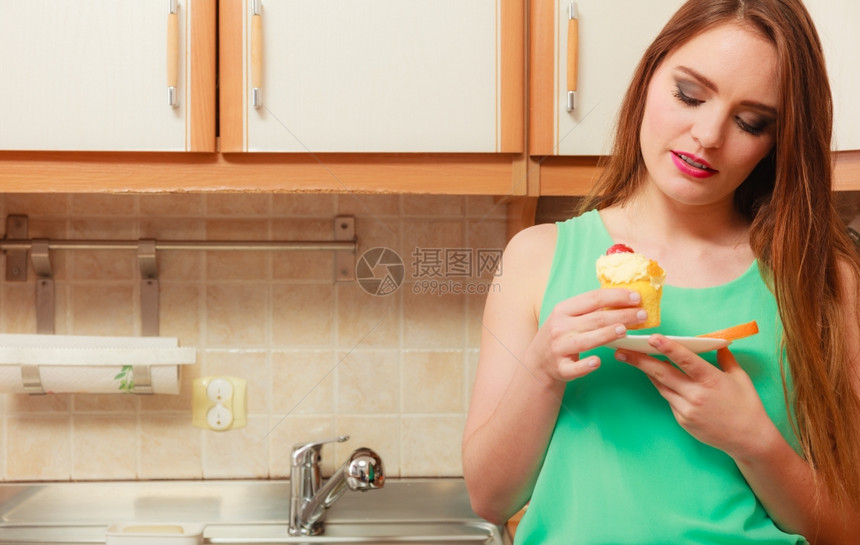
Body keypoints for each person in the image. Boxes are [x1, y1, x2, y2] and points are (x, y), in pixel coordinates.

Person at [462, 0, 860, 543]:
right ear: (648, 77)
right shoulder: (535, 257)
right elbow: (490, 498)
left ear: (776, 142)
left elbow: (848, 527)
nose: (708, 134)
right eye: (689, 95)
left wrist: (752, 440)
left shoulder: (823, 280)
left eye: (750, 121)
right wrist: (540, 372)